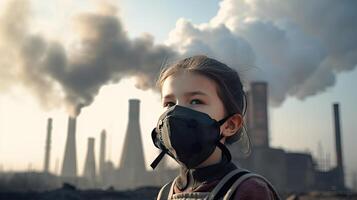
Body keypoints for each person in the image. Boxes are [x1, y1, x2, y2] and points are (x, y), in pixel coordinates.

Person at [150, 55, 281, 200]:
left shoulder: (249, 190)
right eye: (169, 104)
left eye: (195, 101)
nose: (176, 112)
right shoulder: (165, 193)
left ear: (230, 125)